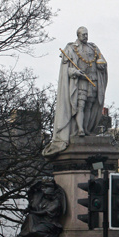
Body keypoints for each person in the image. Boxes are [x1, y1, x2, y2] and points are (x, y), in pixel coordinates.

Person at [43, 27, 108, 156]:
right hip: (80, 82)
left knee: (90, 105)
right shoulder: (71, 48)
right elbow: (66, 69)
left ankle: (87, 129)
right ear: (78, 35)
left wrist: (102, 65)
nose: (86, 36)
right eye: (83, 34)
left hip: (93, 80)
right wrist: (75, 72)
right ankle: (80, 130)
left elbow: (102, 61)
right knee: (80, 106)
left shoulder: (94, 48)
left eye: (87, 34)